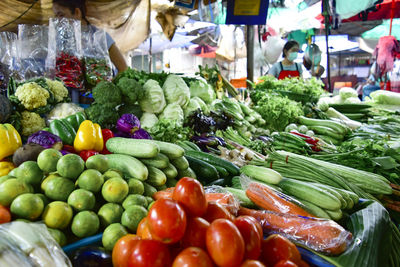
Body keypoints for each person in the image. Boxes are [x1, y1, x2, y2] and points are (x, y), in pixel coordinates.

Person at [52, 0, 128, 73]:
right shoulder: (62, 41)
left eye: (61, 15)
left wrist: (107, 85)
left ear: (77, 12)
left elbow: (123, 69)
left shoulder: (101, 37)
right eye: (56, 16)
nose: (58, 21)